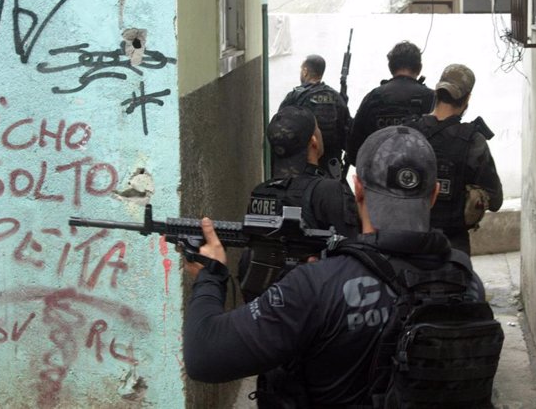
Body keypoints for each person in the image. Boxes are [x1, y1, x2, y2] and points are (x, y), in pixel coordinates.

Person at [183, 126, 485, 407]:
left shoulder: (316, 287)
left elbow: (204, 354)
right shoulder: (466, 281)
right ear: (433, 195)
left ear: (358, 190)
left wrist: (211, 275)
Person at [240, 106, 359, 301]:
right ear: (313, 141)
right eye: (317, 129)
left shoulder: (261, 191)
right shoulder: (328, 191)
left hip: (267, 309)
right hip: (314, 308)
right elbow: (353, 258)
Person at [406, 63, 503, 255]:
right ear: (467, 99)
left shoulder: (409, 133)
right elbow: (496, 200)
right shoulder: (474, 141)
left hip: (410, 243)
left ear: (437, 93)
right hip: (453, 249)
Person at [346, 41, 434, 165]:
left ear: (390, 67)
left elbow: (354, 149)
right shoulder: (432, 98)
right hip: (419, 177)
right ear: (419, 68)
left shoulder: (373, 97)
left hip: (377, 177)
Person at [278, 54, 352, 179]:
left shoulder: (295, 96)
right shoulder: (336, 97)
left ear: (305, 71)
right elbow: (347, 133)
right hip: (331, 167)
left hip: (302, 166)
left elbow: (279, 129)